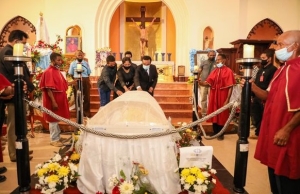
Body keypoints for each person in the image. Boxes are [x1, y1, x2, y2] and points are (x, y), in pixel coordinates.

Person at [250, 30, 300, 194]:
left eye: (280, 44)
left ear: (295, 46)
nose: (276, 48)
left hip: (289, 133)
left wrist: (286, 130)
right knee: (274, 173)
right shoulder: (281, 70)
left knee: (288, 175)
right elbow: (268, 95)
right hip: (273, 130)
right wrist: (251, 85)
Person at [0, 30, 34, 162]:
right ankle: (15, 153)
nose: (24, 46)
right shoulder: (7, 51)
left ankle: (22, 148)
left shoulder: (7, 50)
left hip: (16, 92)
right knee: (14, 125)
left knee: (19, 123)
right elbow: (14, 73)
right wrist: (27, 85)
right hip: (13, 93)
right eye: (23, 43)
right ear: (16, 41)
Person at [199, 54, 235, 140]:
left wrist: (227, 99)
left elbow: (230, 86)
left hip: (223, 95)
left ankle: (221, 133)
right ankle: (215, 132)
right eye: (217, 60)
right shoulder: (215, 71)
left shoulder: (228, 71)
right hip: (214, 95)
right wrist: (199, 81)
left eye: (219, 60)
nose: (217, 61)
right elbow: (207, 82)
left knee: (222, 114)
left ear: (224, 60)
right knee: (214, 112)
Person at [39, 52, 70, 147]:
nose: (60, 62)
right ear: (52, 60)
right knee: (52, 119)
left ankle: (57, 136)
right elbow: (48, 88)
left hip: (58, 97)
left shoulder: (57, 70)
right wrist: (53, 101)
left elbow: (60, 84)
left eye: (61, 60)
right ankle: (54, 139)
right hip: (53, 99)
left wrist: (72, 83)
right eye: (58, 60)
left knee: (56, 119)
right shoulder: (49, 71)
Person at [250, 49, 277, 139]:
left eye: (263, 58)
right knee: (256, 115)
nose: (261, 59)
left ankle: (263, 134)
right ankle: (258, 132)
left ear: (269, 59)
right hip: (257, 95)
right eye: (261, 58)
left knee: (264, 115)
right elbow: (257, 81)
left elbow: (271, 84)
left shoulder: (273, 69)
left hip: (265, 95)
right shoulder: (261, 69)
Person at [68, 50, 92, 117]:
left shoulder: (86, 63)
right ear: (76, 56)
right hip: (77, 80)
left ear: (83, 55)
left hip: (85, 79)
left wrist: (87, 80)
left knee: (86, 97)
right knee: (78, 97)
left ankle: (86, 113)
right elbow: (71, 73)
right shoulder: (72, 64)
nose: (80, 56)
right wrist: (75, 80)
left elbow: (89, 72)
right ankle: (79, 113)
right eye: (78, 55)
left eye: (81, 55)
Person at [198, 50, 216, 117]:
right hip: (203, 83)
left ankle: (211, 113)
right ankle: (204, 113)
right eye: (211, 55)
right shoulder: (204, 62)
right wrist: (198, 79)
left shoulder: (216, 63)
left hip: (212, 84)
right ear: (208, 55)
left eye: (214, 55)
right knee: (203, 99)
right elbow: (199, 71)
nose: (212, 56)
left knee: (212, 99)